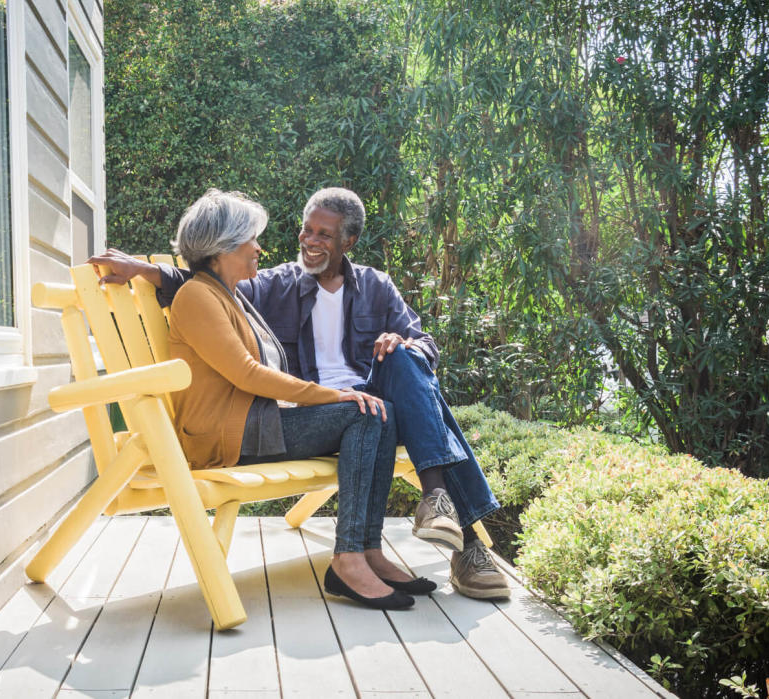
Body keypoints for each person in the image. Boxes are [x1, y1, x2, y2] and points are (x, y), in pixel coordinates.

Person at [91, 187, 511, 600]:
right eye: (305, 230)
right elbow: (209, 291)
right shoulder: (267, 287)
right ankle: (443, 541)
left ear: (350, 241)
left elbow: (425, 347)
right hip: (295, 412)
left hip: (353, 400)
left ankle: (402, 523)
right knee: (378, 410)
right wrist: (146, 270)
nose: (307, 241)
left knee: (404, 362)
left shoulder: (376, 287)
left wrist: (402, 346)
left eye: (323, 235)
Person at [164, 189, 435, 610]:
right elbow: (247, 375)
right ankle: (348, 558)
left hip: (255, 426)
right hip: (227, 439)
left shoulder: (230, 295)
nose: (260, 247)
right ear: (221, 248)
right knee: (364, 413)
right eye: (250, 239)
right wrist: (332, 396)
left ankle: (366, 550)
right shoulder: (199, 296)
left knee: (379, 412)